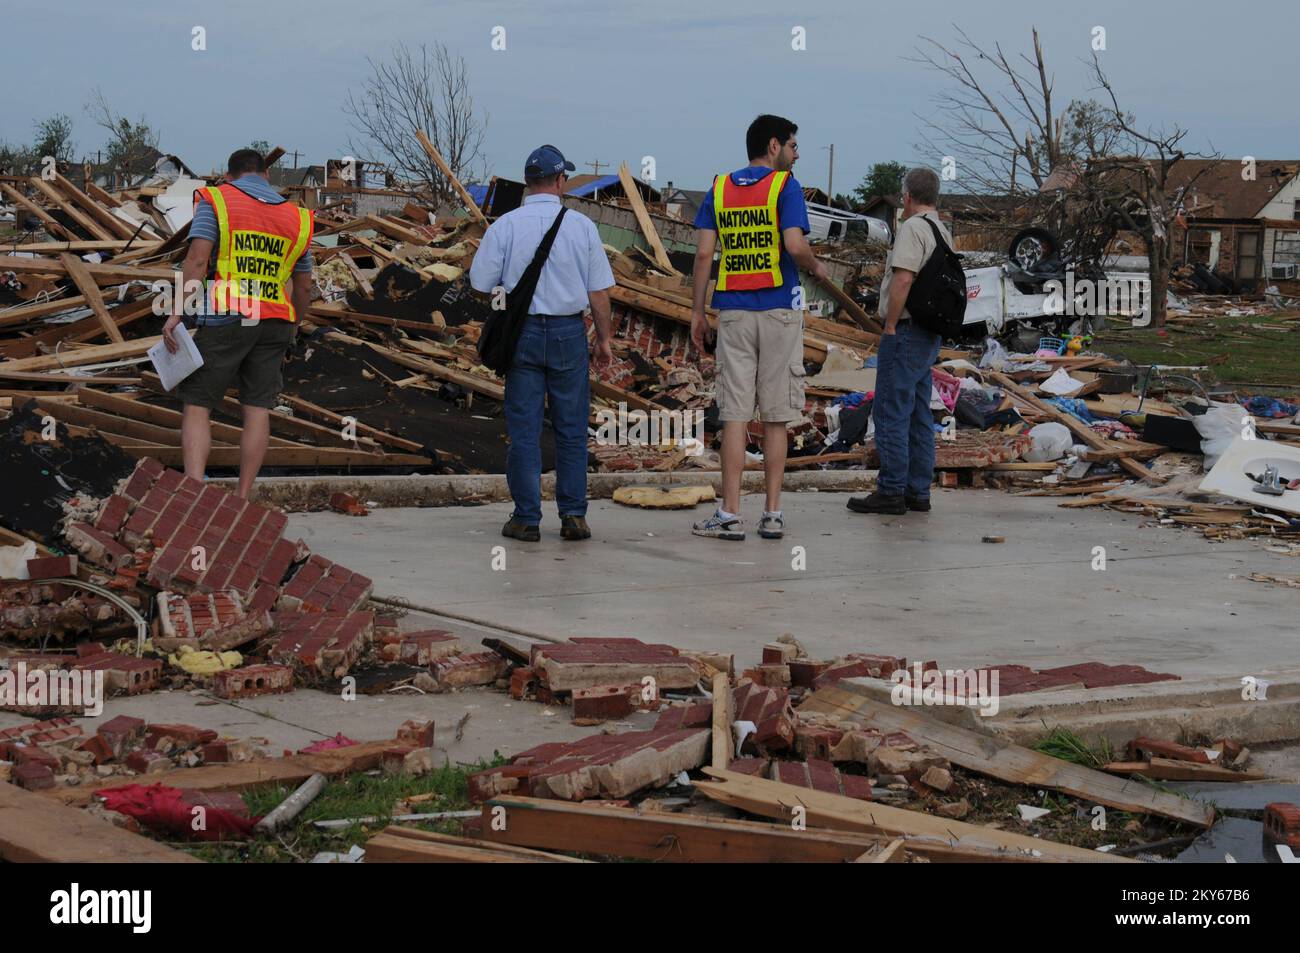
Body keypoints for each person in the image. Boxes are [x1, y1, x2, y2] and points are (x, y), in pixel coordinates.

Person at [689, 114, 829, 541]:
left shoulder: (719, 188)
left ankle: (729, 514)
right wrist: (815, 265)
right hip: (779, 313)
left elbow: (702, 256)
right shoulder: (785, 188)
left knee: (733, 415)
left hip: (732, 313)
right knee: (776, 417)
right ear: (773, 146)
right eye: (792, 145)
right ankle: (771, 513)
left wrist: (698, 312)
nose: (797, 153)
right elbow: (794, 244)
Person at [469, 144, 615, 541]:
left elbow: (481, 284)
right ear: (560, 180)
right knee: (571, 429)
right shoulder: (582, 227)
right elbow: (599, 293)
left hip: (524, 335)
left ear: (529, 182)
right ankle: (573, 517)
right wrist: (603, 340)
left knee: (525, 429)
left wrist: (508, 301)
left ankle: (526, 518)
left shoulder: (505, 226)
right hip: (569, 333)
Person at [162, 148, 314, 499]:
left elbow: (198, 261)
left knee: (199, 404)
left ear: (230, 176)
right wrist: (295, 323)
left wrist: (175, 314)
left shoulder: (217, 199)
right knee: (258, 409)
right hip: (275, 319)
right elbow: (304, 285)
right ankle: (243, 498)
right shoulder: (298, 218)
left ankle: (195, 490)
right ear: (266, 176)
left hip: (228, 313)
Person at [847, 166, 949, 515]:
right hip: (928, 333)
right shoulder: (942, 230)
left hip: (905, 331)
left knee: (890, 410)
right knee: (920, 413)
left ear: (907, 197)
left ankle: (890, 491)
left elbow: (903, 279)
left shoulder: (912, 229)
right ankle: (918, 491)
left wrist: (889, 325)